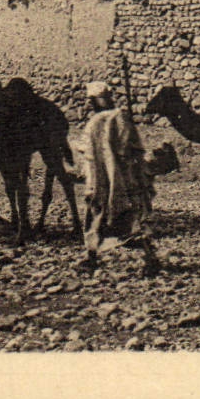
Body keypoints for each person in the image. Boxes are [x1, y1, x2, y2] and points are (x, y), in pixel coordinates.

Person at [74, 81, 162, 276]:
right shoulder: (118, 117)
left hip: (102, 179)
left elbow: (86, 150)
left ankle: (93, 257)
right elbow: (132, 148)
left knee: (100, 214)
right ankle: (148, 257)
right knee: (130, 216)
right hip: (120, 178)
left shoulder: (98, 121)